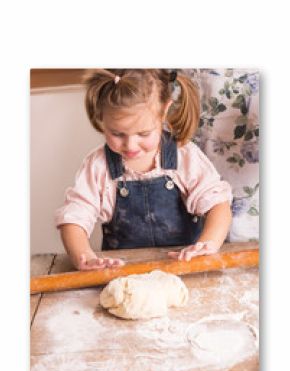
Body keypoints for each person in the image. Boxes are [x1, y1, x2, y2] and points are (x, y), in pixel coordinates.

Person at [55, 69, 232, 271]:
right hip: (123, 272)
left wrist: (207, 245)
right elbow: (74, 218)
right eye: (117, 133)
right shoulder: (98, 166)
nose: (130, 145)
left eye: (143, 133)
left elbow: (218, 205)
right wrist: (84, 256)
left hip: (184, 267)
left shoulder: (185, 156)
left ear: (164, 111)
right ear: (101, 116)